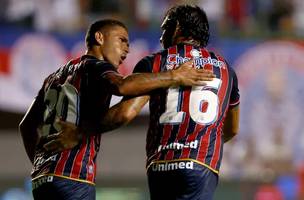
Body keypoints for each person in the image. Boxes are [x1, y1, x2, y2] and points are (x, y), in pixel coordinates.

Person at [19, 19, 215, 200]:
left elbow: (26, 125)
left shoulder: (53, 78)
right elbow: (122, 86)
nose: (127, 49)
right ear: (99, 37)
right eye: (122, 40)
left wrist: (40, 163)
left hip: (42, 180)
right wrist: (174, 76)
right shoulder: (95, 66)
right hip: (72, 177)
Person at [90, 5, 240, 200]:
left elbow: (124, 114)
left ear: (176, 28)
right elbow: (232, 129)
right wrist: (201, 140)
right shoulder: (227, 70)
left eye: (164, 29)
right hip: (201, 165)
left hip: (162, 166)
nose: (161, 37)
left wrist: (83, 129)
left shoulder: (154, 63)